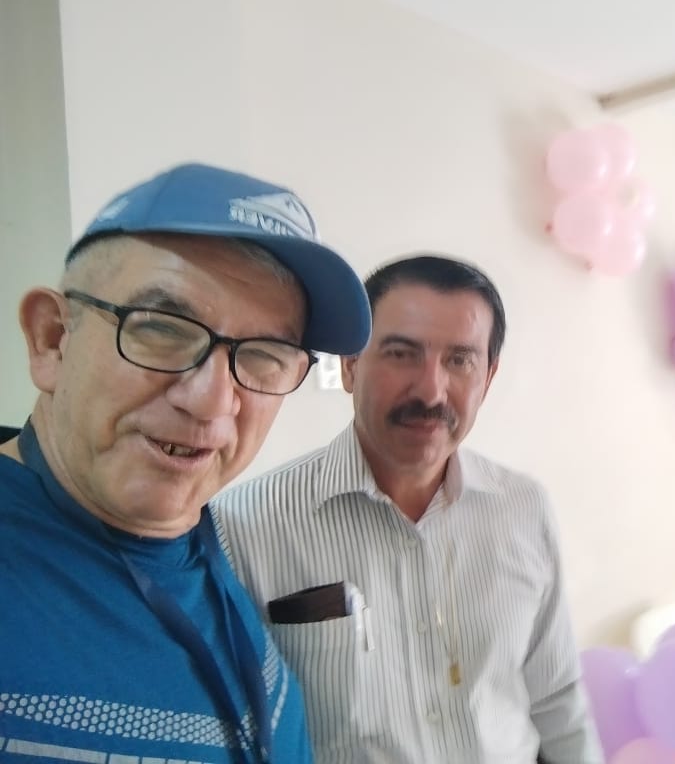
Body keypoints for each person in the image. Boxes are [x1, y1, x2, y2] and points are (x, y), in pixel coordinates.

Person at [0, 163, 372, 763]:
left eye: (265, 354)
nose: (212, 401)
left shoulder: (204, 535)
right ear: (52, 339)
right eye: (163, 329)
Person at [212, 255, 603, 764]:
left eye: (460, 360)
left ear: (488, 377)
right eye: (401, 354)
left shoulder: (523, 508)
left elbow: (557, 700)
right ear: (350, 365)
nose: (431, 390)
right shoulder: (242, 525)